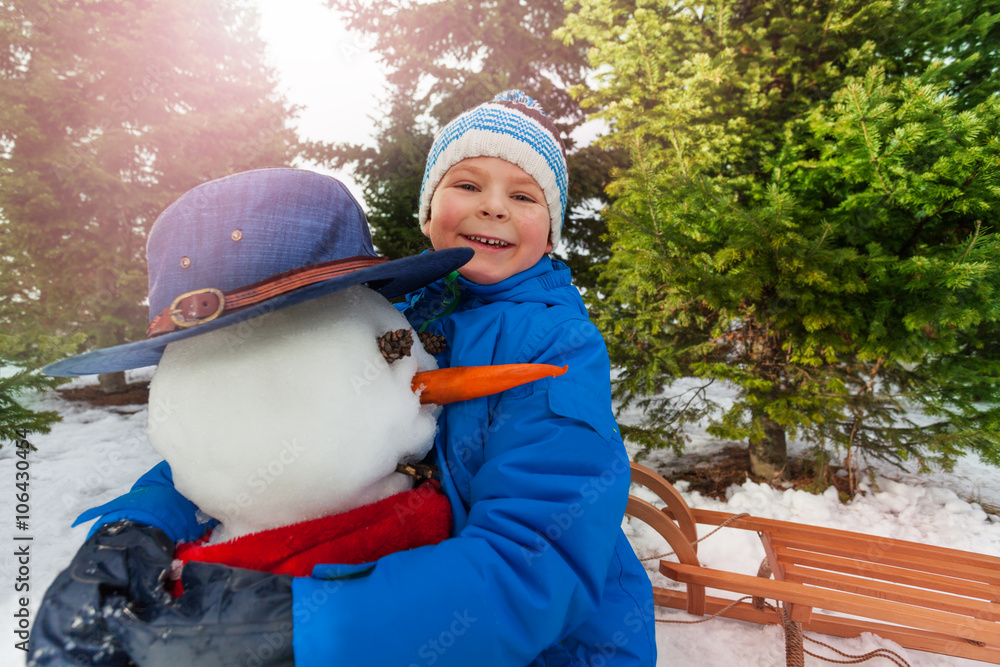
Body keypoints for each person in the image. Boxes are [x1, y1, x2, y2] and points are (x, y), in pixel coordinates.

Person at [33, 91, 657, 666]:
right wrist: (142, 524)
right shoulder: (388, 313)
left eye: (525, 196)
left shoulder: (557, 344)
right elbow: (255, 427)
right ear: (427, 211)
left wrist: (298, 626)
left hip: (551, 645)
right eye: (468, 183)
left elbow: (538, 556)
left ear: (551, 232)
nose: (495, 205)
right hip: (396, 606)